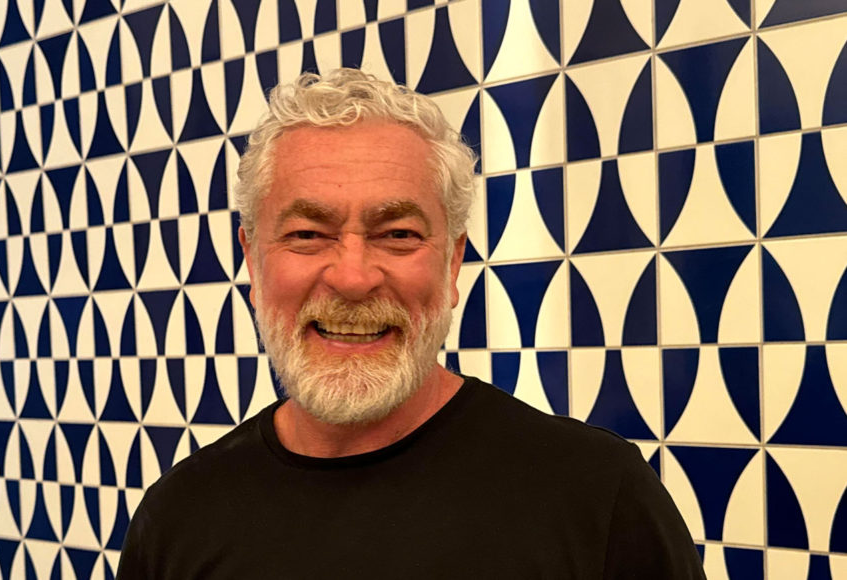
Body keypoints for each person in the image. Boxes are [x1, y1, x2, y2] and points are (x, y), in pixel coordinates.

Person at [116, 68, 705, 578]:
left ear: (451, 262)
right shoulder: (178, 518)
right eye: (307, 234)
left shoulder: (599, 499)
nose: (352, 278)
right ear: (252, 260)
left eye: (397, 235)